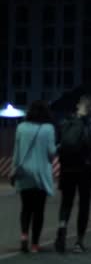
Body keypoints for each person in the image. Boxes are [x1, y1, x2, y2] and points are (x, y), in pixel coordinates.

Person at [54, 94, 91, 253]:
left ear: (77, 105)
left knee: (66, 202)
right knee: (84, 205)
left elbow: (60, 144)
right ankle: (79, 242)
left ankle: (62, 227)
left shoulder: (66, 122)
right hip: (85, 170)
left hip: (67, 168)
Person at [10, 100, 56, 253]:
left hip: (24, 173)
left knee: (26, 208)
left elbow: (16, 153)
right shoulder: (48, 129)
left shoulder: (21, 127)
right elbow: (51, 154)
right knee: (39, 210)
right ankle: (35, 244)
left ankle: (24, 236)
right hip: (41, 175)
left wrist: (13, 170)